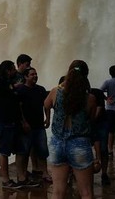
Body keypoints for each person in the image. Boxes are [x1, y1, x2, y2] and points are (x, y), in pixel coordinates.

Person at [0, 60, 38, 189]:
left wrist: (23, 121)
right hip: (4, 122)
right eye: (13, 68)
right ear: (8, 70)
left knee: (20, 150)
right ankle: (6, 181)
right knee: (5, 152)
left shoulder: (10, 83)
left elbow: (15, 102)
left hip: (15, 122)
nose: (15, 70)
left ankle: (22, 178)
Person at [44, 60, 96, 199]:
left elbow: (46, 104)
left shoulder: (55, 92)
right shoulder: (90, 98)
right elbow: (91, 119)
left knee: (57, 192)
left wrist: (49, 118)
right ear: (86, 76)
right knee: (86, 193)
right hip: (79, 144)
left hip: (57, 144)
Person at [17, 67, 50, 183]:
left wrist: (48, 118)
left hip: (39, 125)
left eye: (36, 74)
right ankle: (22, 175)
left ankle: (45, 172)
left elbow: (46, 104)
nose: (35, 76)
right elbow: (18, 108)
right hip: (26, 127)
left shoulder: (41, 90)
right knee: (23, 151)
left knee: (42, 150)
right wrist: (23, 122)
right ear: (26, 77)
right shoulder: (21, 90)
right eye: (32, 74)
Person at [89, 88, 110, 186]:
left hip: (100, 122)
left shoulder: (97, 93)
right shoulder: (77, 94)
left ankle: (104, 173)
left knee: (103, 148)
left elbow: (98, 109)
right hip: (91, 123)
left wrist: (89, 122)